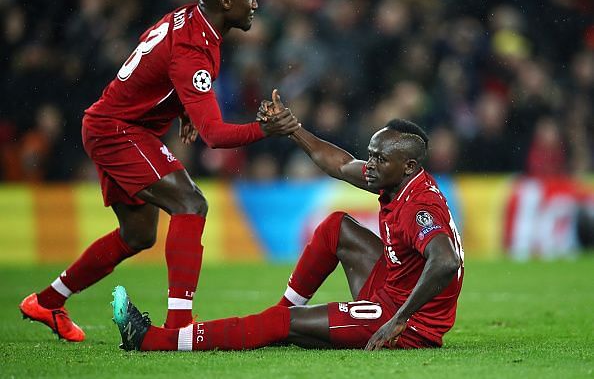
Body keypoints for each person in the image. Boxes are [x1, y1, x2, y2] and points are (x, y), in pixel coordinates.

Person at [19, 0, 300, 342]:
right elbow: (214, 135)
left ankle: (48, 302)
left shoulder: (190, 20)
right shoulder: (193, 51)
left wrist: (183, 106)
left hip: (119, 125)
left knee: (137, 235)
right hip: (118, 131)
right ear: (223, 0)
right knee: (191, 203)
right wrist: (266, 129)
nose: (254, 3)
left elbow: (157, 64)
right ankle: (178, 324)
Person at [111, 91, 464, 351]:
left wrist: (399, 318)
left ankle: (154, 340)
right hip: (393, 288)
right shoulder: (398, 181)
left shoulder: (419, 207)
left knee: (282, 325)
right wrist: (292, 128)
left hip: (406, 322)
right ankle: (280, 317)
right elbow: (339, 164)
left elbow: (446, 260)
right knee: (336, 227)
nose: (369, 165)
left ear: (409, 166)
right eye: (370, 155)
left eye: (379, 159)